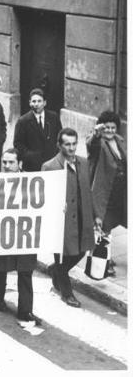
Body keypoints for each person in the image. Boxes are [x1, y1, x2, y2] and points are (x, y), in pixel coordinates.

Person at [43, 128, 102, 308]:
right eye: (67, 144)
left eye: (74, 144)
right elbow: (44, 196)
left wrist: (96, 215)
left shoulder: (83, 163)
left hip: (82, 217)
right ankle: (67, 293)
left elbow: (89, 191)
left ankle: (55, 270)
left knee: (83, 250)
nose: (71, 148)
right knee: (62, 256)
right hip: (61, 221)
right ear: (59, 145)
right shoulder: (50, 166)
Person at [0, 149, 42, 326]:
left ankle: (25, 310)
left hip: (24, 233)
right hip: (3, 231)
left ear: (19, 164)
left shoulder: (32, 181)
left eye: (11, 162)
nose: (6, 166)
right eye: (4, 162)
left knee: (25, 270)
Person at [86, 110, 127, 276]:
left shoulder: (119, 140)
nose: (110, 131)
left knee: (119, 221)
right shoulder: (98, 143)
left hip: (120, 192)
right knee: (104, 227)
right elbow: (91, 145)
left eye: (113, 127)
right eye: (107, 128)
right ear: (101, 128)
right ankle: (104, 262)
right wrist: (96, 135)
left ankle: (107, 256)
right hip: (105, 192)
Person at [13, 88, 62, 171]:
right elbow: (18, 144)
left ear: (44, 103)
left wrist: (56, 154)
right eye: (34, 101)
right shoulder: (23, 121)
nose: (36, 104)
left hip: (51, 163)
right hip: (32, 165)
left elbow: (60, 137)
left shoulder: (53, 117)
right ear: (29, 103)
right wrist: (30, 156)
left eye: (39, 101)